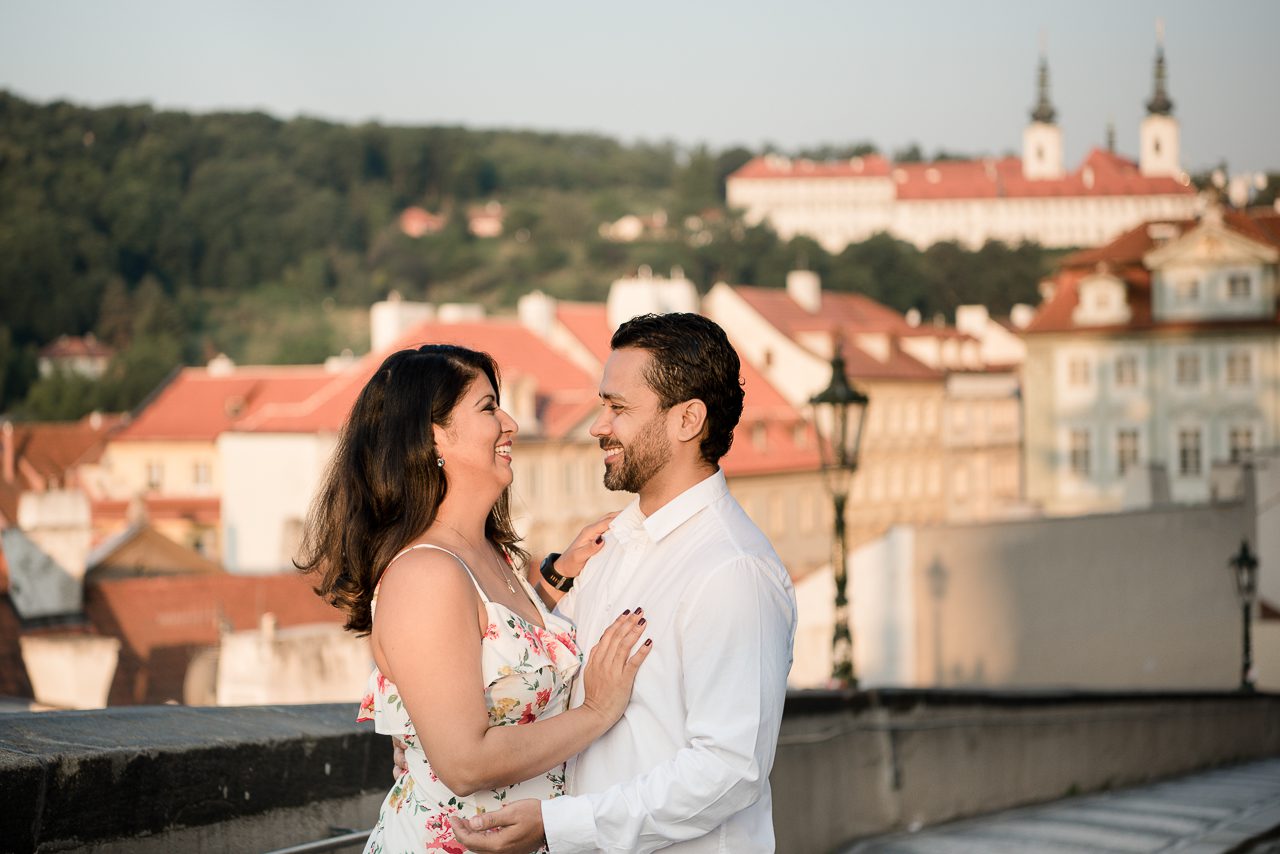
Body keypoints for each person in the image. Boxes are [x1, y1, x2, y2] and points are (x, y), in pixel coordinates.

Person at [451, 313, 798, 854]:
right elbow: (549, 677)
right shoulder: (610, 546)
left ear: (687, 420)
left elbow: (730, 771)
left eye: (618, 408)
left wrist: (561, 824)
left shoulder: (732, 571)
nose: (598, 425)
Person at [296, 344, 652, 854]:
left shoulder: (492, 555)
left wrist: (557, 576)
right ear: (433, 435)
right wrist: (597, 710)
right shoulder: (425, 575)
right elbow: (465, 764)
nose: (509, 423)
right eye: (488, 408)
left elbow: (497, 648)